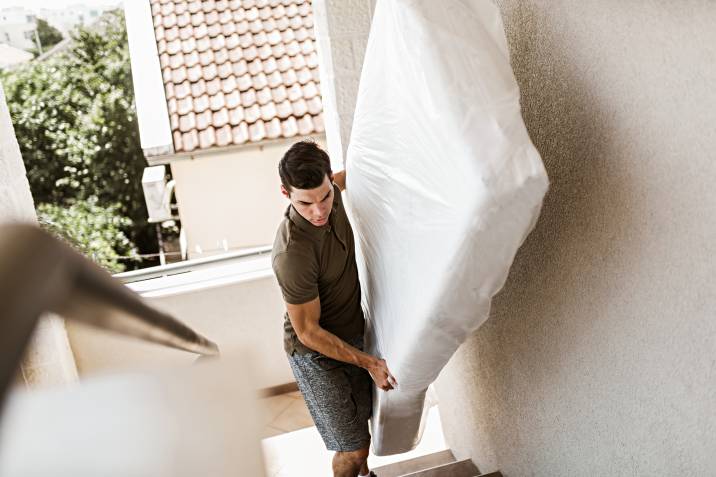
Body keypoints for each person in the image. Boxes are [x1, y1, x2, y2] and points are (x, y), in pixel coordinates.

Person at [271, 140, 396, 477]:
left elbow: (354, 173)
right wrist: (370, 362)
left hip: (352, 332)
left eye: (325, 196)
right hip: (316, 355)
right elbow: (308, 331)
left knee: (362, 432)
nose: (319, 210)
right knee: (352, 448)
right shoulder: (292, 254)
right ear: (286, 193)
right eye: (305, 203)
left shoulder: (332, 190)